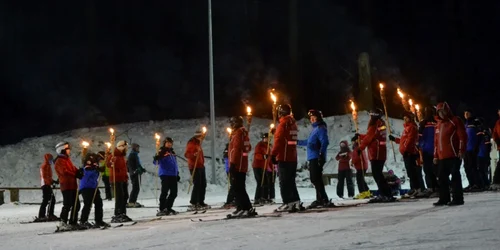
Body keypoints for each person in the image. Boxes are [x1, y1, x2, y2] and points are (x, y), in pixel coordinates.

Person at [353, 108, 394, 203]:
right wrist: (360, 136)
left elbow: (369, 138)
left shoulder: (375, 124)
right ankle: (386, 194)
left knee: (377, 175)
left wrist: (360, 148)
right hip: (379, 152)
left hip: (376, 152)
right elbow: (371, 136)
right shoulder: (380, 123)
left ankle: (385, 194)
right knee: (378, 175)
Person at [433, 102, 467, 206]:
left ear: (447, 110)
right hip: (442, 156)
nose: (442, 114)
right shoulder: (438, 124)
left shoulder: (455, 121)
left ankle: (458, 198)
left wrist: (461, 151)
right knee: (442, 177)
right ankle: (444, 198)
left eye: (443, 111)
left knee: (455, 176)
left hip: (454, 155)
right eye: (439, 112)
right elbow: (436, 142)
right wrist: (435, 156)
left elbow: (462, 137)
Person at [271, 104, 303, 211]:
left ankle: (287, 201)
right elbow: (286, 137)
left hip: (284, 157)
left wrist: (273, 154)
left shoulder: (283, 124)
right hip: (292, 156)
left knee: (284, 181)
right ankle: (295, 200)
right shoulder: (293, 123)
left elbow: (279, 141)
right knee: (291, 181)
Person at [297, 109, 330, 208]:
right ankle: (321, 198)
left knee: (315, 178)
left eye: (313, 118)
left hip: (316, 157)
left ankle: (322, 198)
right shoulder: (315, 129)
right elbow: (309, 142)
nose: (311, 120)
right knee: (316, 178)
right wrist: (297, 142)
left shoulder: (320, 128)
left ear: (318, 118)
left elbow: (324, 142)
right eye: (310, 118)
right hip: (312, 156)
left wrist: (321, 153)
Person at [389, 111, 423, 198]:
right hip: (406, 153)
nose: (405, 120)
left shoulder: (412, 127)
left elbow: (410, 140)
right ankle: (414, 188)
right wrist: (395, 139)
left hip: (410, 153)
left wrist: (406, 150)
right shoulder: (407, 128)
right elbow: (403, 141)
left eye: (406, 118)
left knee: (412, 171)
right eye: (404, 118)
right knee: (410, 171)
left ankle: (416, 188)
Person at [228, 116, 255, 216]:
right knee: (240, 187)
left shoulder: (239, 134)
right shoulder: (243, 134)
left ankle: (243, 207)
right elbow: (248, 147)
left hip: (237, 165)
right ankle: (245, 207)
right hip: (242, 164)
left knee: (237, 187)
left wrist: (233, 163)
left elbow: (236, 150)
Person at [54, 142, 83, 230]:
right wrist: (75, 174)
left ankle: (73, 222)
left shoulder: (67, 159)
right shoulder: (59, 161)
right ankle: (63, 222)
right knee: (67, 204)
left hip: (73, 185)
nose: (69, 151)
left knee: (76, 205)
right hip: (66, 185)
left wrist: (79, 172)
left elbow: (73, 168)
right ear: (62, 150)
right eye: (67, 149)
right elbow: (64, 171)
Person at [79, 153, 110, 228]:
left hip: (93, 186)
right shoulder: (90, 160)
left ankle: (98, 220)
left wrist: (99, 169)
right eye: (100, 159)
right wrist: (96, 169)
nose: (100, 161)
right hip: (86, 186)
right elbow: (87, 172)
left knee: (99, 203)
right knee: (88, 204)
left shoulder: (95, 163)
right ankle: (83, 221)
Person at [107, 140, 132, 222]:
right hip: (116, 179)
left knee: (125, 196)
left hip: (123, 178)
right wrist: (111, 163)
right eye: (125, 147)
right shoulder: (114, 155)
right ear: (121, 147)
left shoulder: (122, 156)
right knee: (119, 197)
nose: (126, 149)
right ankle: (118, 214)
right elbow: (108, 164)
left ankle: (122, 213)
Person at [184, 129, 209, 210]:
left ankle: (201, 201)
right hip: (194, 166)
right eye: (200, 136)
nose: (201, 138)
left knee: (203, 184)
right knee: (197, 184)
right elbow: (187, 154)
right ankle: (194, 202)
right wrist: (194, 154)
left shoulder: (198, 143)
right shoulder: (192, 143)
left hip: (201, 165)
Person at [154, 137, 180, 216]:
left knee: (174, 192)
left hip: (173, 174)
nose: (169, 144)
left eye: (170, 143)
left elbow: (175, 164)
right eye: (168, 142)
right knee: (164, 191)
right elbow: (156, 162)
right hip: (165, 174)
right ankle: (162, 208)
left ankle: (168, 207)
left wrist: (177, 173)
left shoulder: (172, 152)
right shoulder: (162, 151)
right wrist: (157, 158)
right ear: (165, 143)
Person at [418, 106, 439, 197]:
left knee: (428, 170)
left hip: (428, 149)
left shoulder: (424, 123)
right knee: (434, 170)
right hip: (435, 149)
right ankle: (436, 187)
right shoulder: (437, 122)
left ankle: (432, 187)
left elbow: (419, 137)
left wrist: (420, 146)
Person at [36, 153, 59, 222]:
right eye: (50, 159)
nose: (51, 160)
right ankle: (42, 215)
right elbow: (44, 177)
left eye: (51, 159)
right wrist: (51, 183)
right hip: (45, 185)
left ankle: (49, 214)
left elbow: (48, 177)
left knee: (52, 200)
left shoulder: (48, 166)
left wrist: (53, 182)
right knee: (46, 200)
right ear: (47, 159)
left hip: (47, 184)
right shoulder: (44, 166)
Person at [252, 133, 273, 205]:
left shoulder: (268, 146)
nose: (266, 139)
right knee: (260, 182)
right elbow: (257, 155)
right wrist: (263, 156)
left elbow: (269, 157)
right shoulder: (260, 145)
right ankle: (257, 198)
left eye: (268, 138)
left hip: (264, 166)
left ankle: (264, 197)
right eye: (265, 138)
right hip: (258, 166)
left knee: (266, 182)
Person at [463, 109, 481, 192]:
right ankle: (471, 183)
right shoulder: (465, 124)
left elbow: (480, 135)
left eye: (468, 113)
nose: (466, 115)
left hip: (473, 148)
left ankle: (477, 184)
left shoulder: (475, 122)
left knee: (473, 167)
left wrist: (477, 146)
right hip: (466, 149)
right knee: (467, 167)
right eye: (465, 113)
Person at [127, 143, 146, 208]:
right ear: (134, 148)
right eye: (137, 148)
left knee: (137, 188)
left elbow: (138, 164)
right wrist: (135, 170)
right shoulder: (132, 155)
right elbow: (131, 165)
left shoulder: (135, 155)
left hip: (136, 173)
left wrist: (141, 169)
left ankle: (133, 201)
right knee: (135, 188)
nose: (138, 149)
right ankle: (131, 202)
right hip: (134, 173)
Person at [476, 118, 492, 190]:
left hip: (483, 153)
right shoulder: (482, 132)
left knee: (482, 169)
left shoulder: (484, 132)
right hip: (480, 153)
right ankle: (484, 183)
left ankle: (485, 184)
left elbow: (487, 143)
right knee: (481, 169)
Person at [223, 143, 236, 208]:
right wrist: (229, 169)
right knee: (233, 185)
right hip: (231, 169)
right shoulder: (228, 150)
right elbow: (226, 160)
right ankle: (230, 200)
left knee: (236, 184)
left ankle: (234, 198)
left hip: (234, 169)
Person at [490, 109, 500, 191]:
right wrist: (497, 141)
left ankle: (496, 181)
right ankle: (496, 181)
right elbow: (495, 133)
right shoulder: (498, 123)